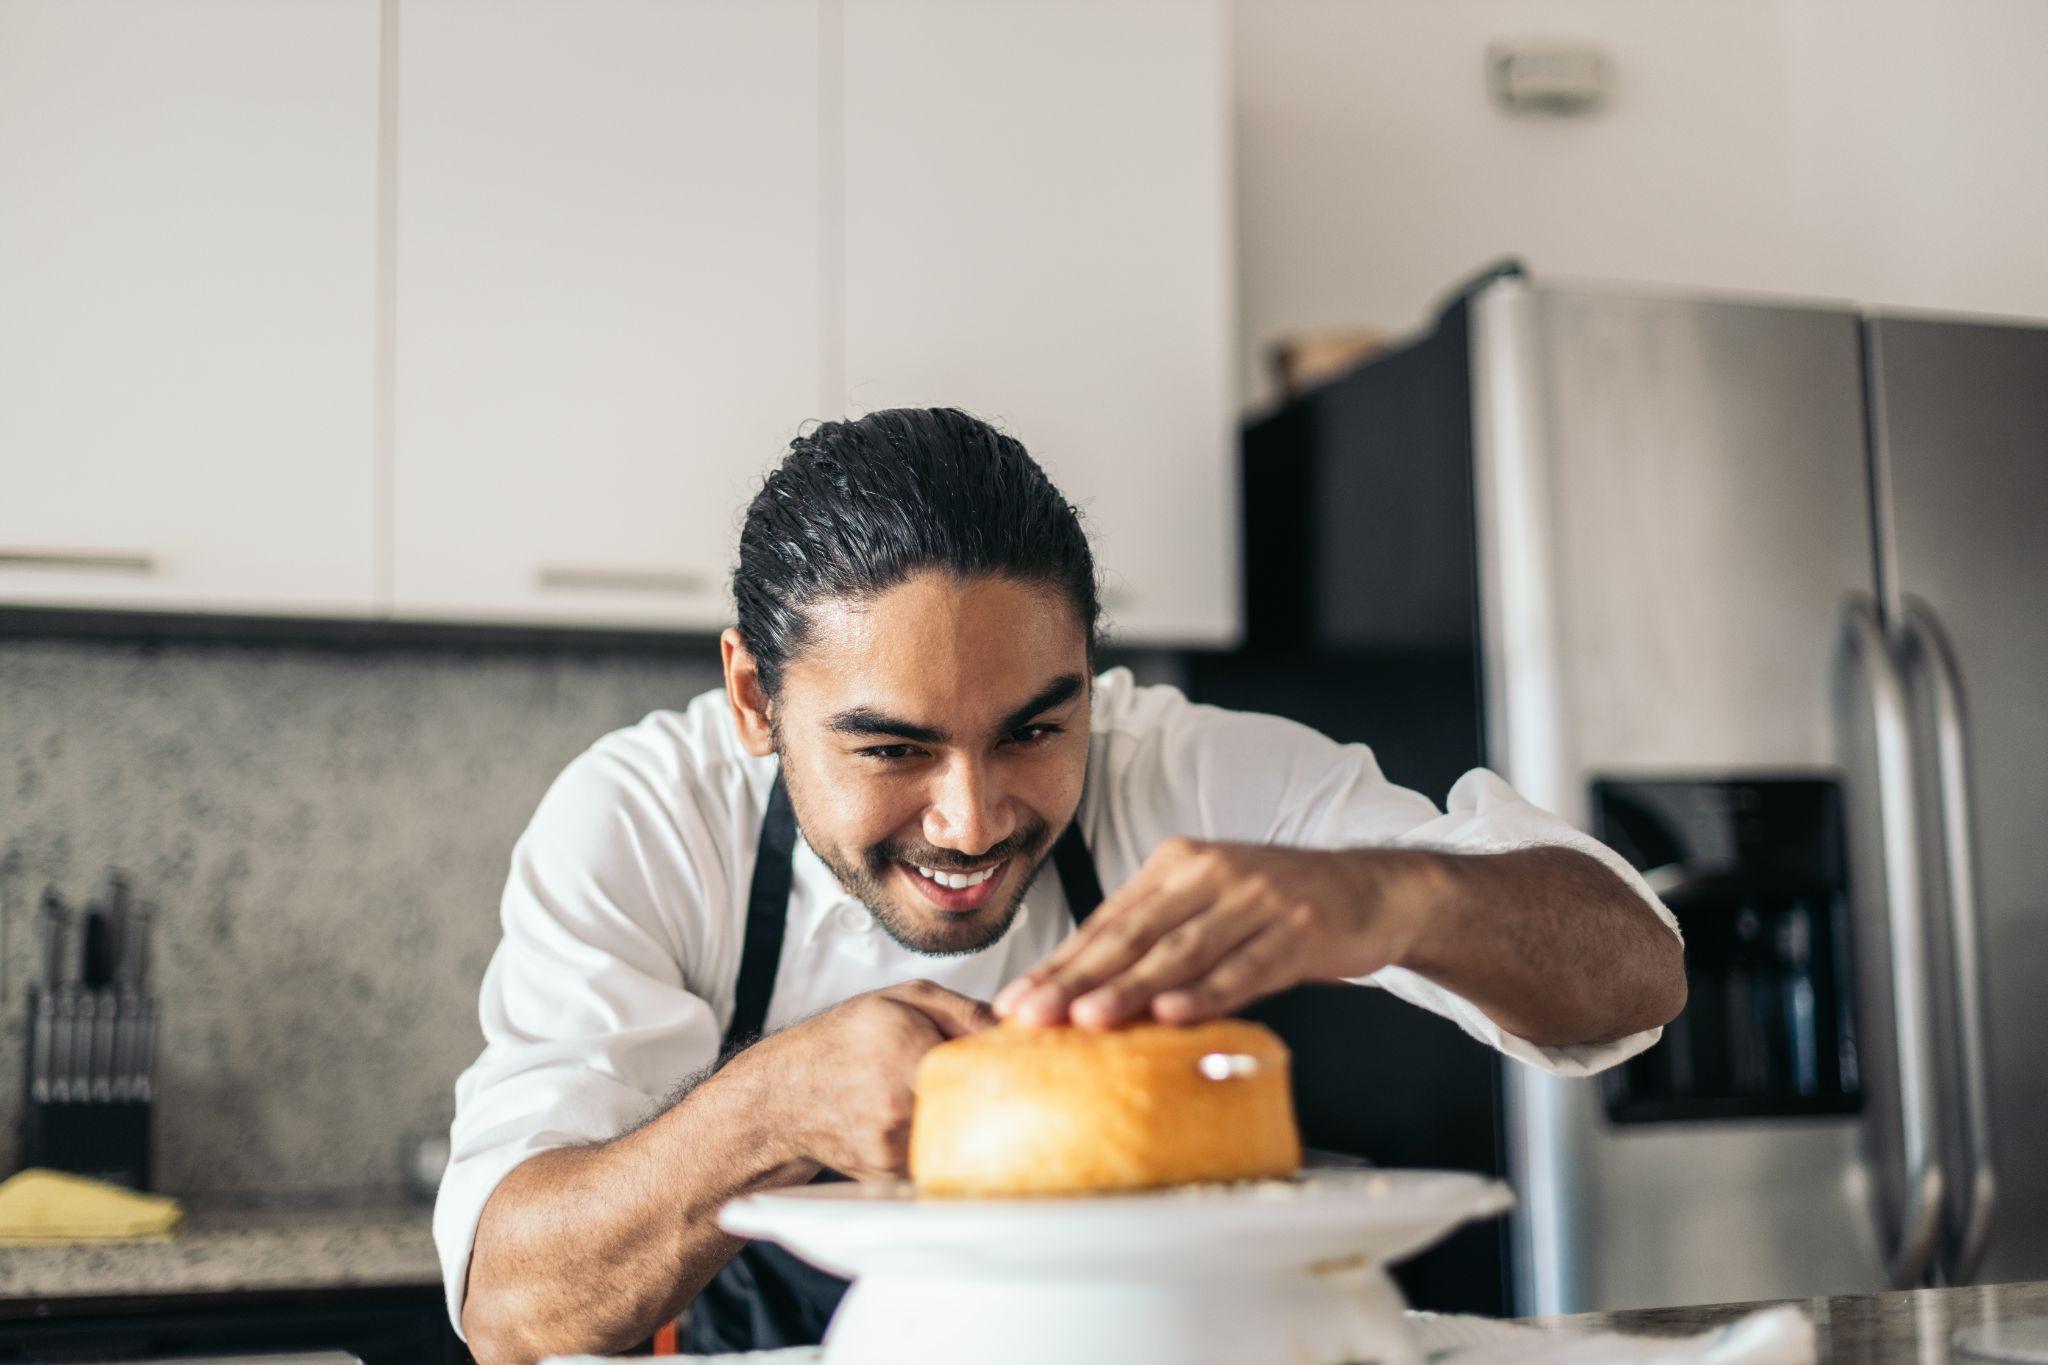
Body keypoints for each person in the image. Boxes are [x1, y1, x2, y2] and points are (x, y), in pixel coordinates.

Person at [436, 408, 1686, 1364]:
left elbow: (1638, 977)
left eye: (1035, 729)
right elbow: (510, 1307)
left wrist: (1398, 899)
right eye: (892, 750)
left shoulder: (1179, 772)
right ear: (756, 699)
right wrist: (770, 1111)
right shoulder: (645, 824)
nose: (972, 821)